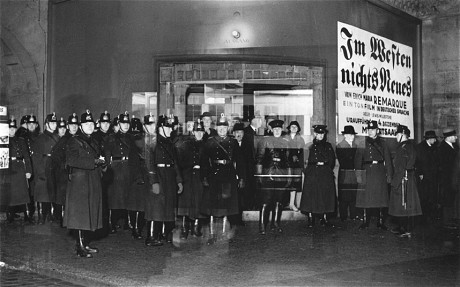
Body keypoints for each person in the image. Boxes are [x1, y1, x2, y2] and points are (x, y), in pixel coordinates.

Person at [64, 110, 105, 258]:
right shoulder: (74, 141)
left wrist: (103, 164)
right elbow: (72, 160)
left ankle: (85, 243)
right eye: (86, 124)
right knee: (81, 215)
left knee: (89, 213)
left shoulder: (93, 141)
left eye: (91, 123)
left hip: (92, 180)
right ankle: (80, 246)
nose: (89, 126)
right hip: (79, 182)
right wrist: (93, 162)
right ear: (81, 126)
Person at [201, 114, 245, 244]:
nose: (222, 130)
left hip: (229, 175)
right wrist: (204, 177)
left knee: (227, 206)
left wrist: (241, 177)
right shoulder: (210, 142)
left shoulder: (233, 142)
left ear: (227, 129)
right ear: (216, 128)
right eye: (219, 127)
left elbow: (240, 161)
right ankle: (212, 233)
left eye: (224, 127)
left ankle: (225, 233)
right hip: (214, 175)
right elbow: (204, 161)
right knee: (213, 206)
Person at [144, 114, 183, 247]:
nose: (171, 130)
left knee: (167, 206)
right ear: (161, 127)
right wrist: (154, 181)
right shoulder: (152, 141)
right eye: (168, 127)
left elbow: (175, 163)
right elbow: (149, 163)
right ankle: (151, 236)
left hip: (169, 176)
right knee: (156, 207)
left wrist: (179, 180)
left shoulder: (170, 143)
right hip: (158, 175)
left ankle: (163, 234)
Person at [354, 120, 393, 230]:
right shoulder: (363, 143)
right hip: (367, 172)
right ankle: (366, 220)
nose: (370, 132)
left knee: (380, 197)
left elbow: (388, 161)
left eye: (373, 129)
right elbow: (358, 160)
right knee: (366, 197)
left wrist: (389, 175)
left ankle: (380, 221)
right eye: (369, 130)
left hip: (379, 171)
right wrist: (358, 175)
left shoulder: (383, 143)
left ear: (377, 130)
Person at [256, 119, 290, 234]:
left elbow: (288, 161)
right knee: (266, 201)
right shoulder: (264, 141)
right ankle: (262, 225)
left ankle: (275, 223)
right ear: (271, 130)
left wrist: (288, 177)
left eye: (279, 129)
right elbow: (259, 159)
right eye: (275, 129)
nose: (277, 131)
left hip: (280, 175)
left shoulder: (285, 142)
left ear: (281, 130)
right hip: (267, 175)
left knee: (278, 201)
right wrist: (259, 176)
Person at [299, 125, 336, 227]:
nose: (320, 136)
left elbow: (332, 161)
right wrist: (307, 172)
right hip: (312, 173)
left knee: (325, 196)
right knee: (311, 196)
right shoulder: (309, 146)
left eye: (322, 134)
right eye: (318, 134)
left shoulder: (328, 146)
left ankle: (324, 218)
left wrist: (327, 170)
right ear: (314, 134)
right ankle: (310, 218)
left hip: (324, 173)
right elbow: (302, 161)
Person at [388, 124, 422, 237]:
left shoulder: (402, 148)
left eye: (397, 135)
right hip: (410, 178)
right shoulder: (411, 146)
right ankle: (406, 228)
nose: (396, 137)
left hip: (403, 179)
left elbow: (400, 168)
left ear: (402, 135)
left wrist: (394, 183)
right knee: (408, 205)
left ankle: (403, 229)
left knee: (401, 205)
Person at [176, 119, 207, 239]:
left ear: (204, 133)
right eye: (196, 131)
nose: (199, 134)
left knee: (198, 201)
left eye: (201, 132)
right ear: (193, 132)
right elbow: (180, 161)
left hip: (200, 176)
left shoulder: (206, 146)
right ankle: (184, 228)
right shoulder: (185, 144)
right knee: (185, 201)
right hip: (187, 176)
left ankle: (196, 226)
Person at [0, 117, 33, 223]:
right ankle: (10, 214)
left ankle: (27, 214)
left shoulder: (21, 140)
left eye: (14, 128)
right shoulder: (2, 140)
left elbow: (27, 157)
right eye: (10, 128)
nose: (12, 130)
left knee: (24, 193)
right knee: (11, 194)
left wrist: (29, 170)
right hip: (9, 169)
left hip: (20, 169)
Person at [31, 112, 59, 224]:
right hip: (44, 167)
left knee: (52, 193)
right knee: (43, 193)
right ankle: (42, 216)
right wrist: (40, 171)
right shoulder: (40, 138)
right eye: (52, 122)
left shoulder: (58, 137)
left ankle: (52, 215)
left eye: (55, 122)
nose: (54, 124)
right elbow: (36, 157)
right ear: (46, 124)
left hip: (54, 167)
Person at [126, 117, 146, 240]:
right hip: (137, 176)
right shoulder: (139, 140)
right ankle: (136, 228)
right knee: (138, 204)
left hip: (135, 176)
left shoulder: (129, 139)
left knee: (135, 204)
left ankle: (134, 227)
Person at [336, 125, 360, 221]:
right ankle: (343, 216)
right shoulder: (340, 146)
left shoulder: (355, 145)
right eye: (350, 135)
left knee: (353, 193)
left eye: (353, 135)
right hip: (345, 173)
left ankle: (353, 215)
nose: (352, 137)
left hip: (353, 173)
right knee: (344, 195)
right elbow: (343, 161)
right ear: (345, 135)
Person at [48, 117, 69, 226]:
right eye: (60, 127)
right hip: (57, 171)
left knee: (63, 196)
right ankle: (58, 217)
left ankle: (63, 218)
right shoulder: (55, 139)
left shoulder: (67, 139)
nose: (62, 129)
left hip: (64, 171)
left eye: (64, 127)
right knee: (58, 195)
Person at [228, 122, 250, 226]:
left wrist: (243, 177)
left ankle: (238, 219)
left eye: (241, 132)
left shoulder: (247, 146)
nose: (239, 134)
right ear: (233, 133)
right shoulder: (229, 144)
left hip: (242, 175)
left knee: (240, 199)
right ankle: (231, 219)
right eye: (236, 132)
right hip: (230, 175)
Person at [415, 130, 439, 222]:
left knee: (432, 196)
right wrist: (420, 173)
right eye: (434, 139)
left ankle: (430, 215)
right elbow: (417, 162)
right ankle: (423, 217)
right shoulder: (420, 148)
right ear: (429, 139)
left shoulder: (434, 147)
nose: (435, 141)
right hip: (424, 177)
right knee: (424, 196)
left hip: (432, 176)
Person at [437, 128, 459, 229]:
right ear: (449, 137)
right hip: (447, 179)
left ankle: (453, 219)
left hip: (454, 177)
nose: (456, 137)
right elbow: (442, 165)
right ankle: (447, 222)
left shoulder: (455, 146)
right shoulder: (442, 148)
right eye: (454, 136)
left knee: (453, 199)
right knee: (447, 199)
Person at [242, 116, 262, 210]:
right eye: (258, 119)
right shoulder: (246, 131)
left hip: (257, 164)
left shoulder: (259, 132)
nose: (260, 121)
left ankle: (255, 204)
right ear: (252, 121)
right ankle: (249, 205)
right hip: (248, 164)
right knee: (249, 185)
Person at [284, 121, 305, 212]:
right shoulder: (284, 138)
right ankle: (284, 203)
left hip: (296, 164)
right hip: (285, 164)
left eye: (295, 127)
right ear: (289, 128)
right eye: (292, 126)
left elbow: (303, 153)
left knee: (294, 184)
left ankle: (292, 204)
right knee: (285, 183)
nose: (293, 128)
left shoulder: (300, 139)